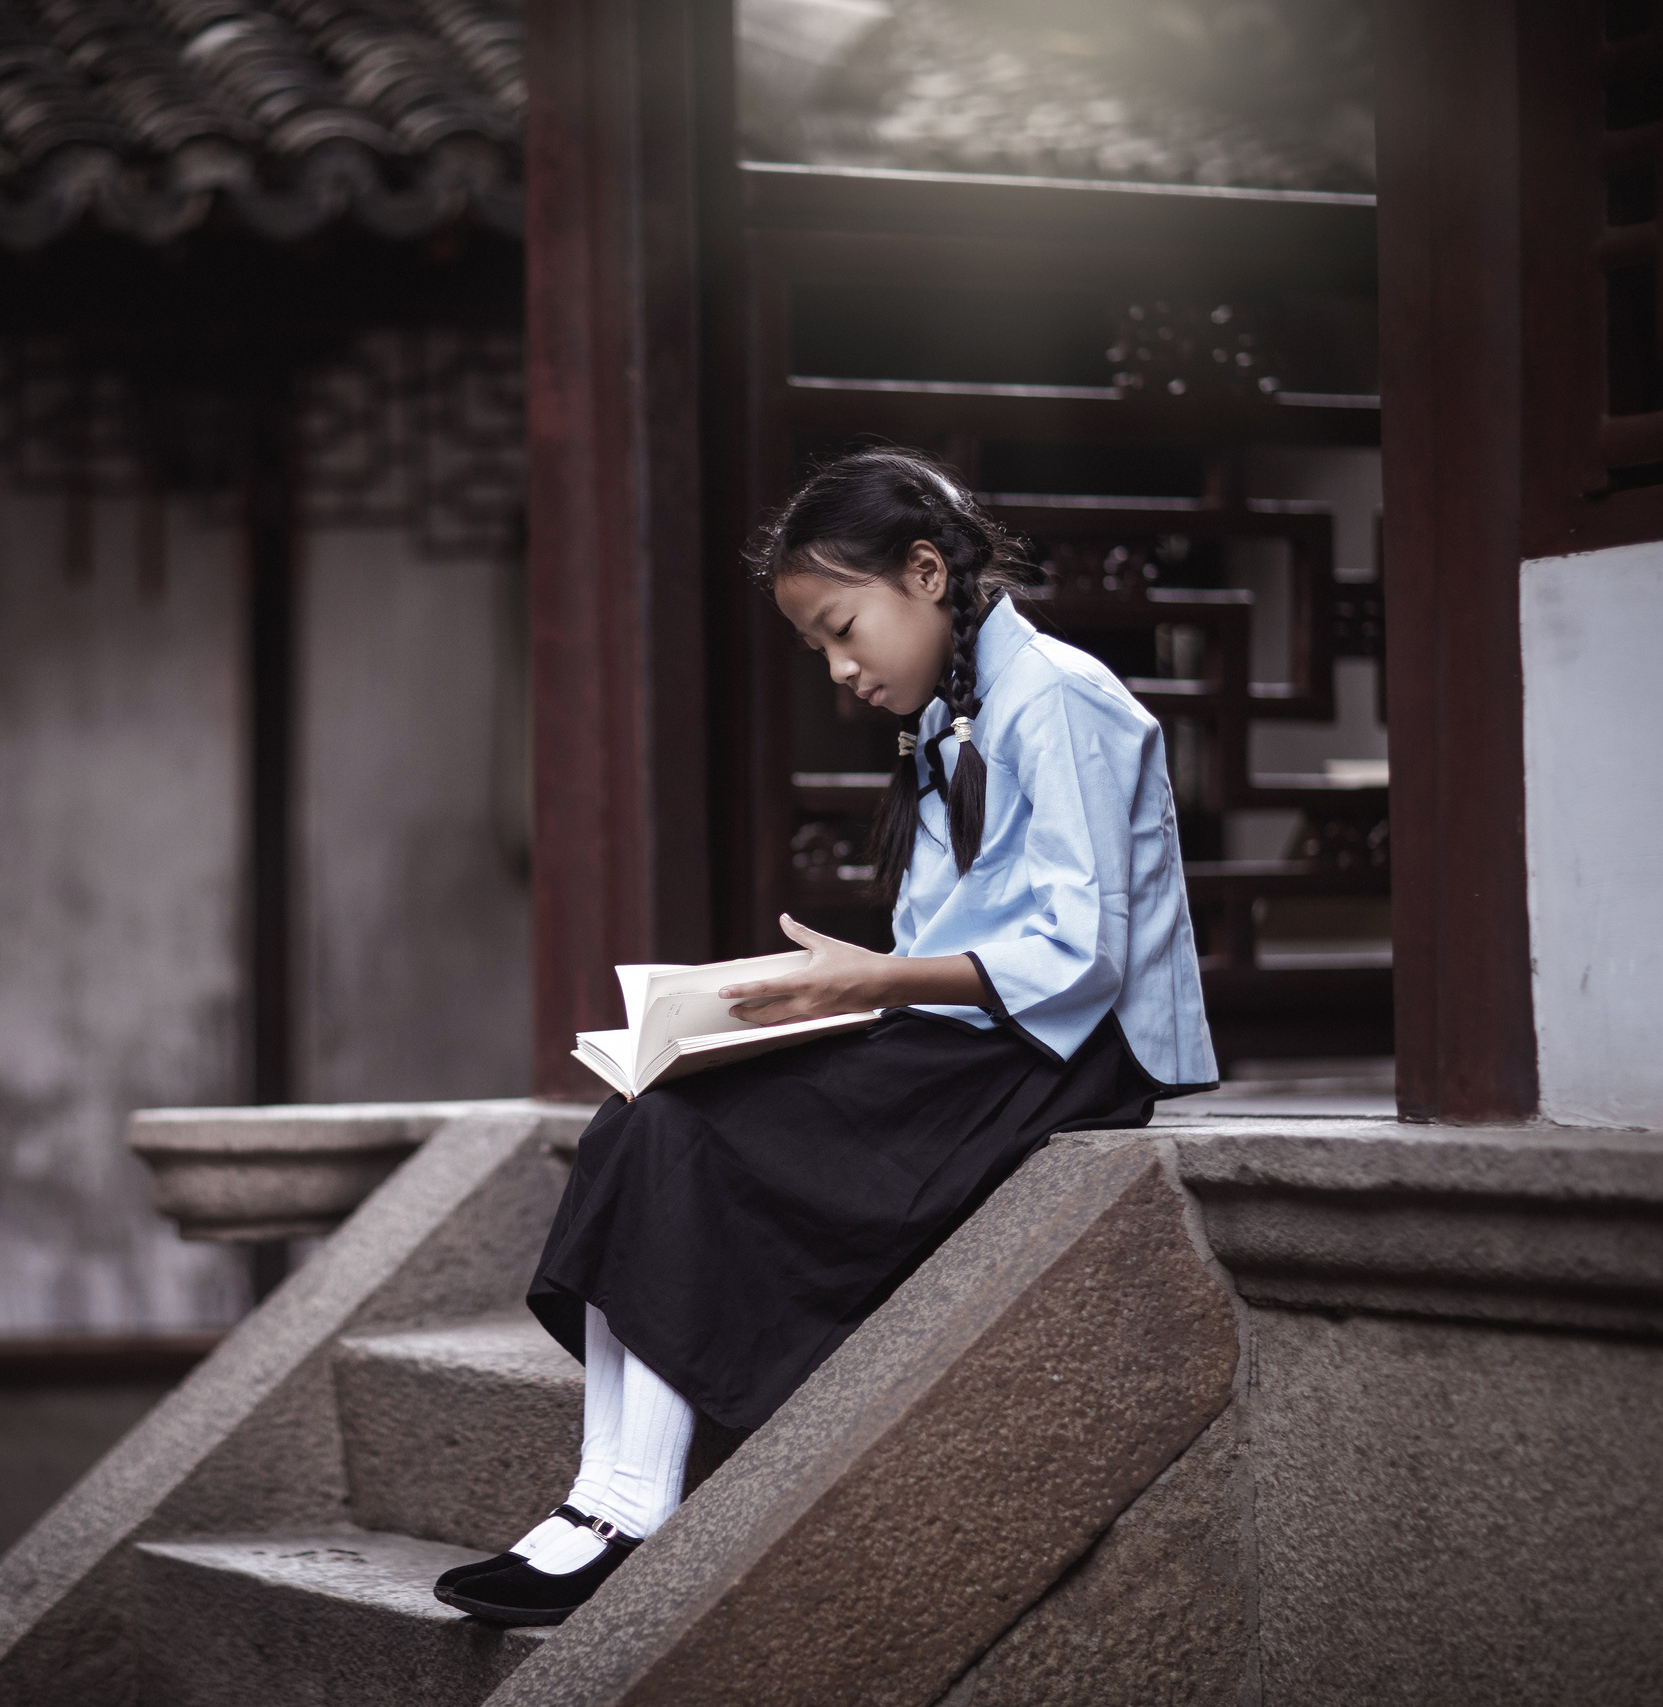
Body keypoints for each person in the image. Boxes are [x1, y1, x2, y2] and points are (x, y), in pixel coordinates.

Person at [434, 448, 1218, 1627]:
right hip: (970, 1032)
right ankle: (600, 1498)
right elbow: (946, 945)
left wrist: (871, 982)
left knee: (687, 1133)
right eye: (819, 650)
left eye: (843, 631)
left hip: (1061, 1056)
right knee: (640, 1116)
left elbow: (1080, 953)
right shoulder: (955, 708)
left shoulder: (1056, 696)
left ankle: (628, 1512)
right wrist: (835, 998)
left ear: (925, 573)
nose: (842, 669)